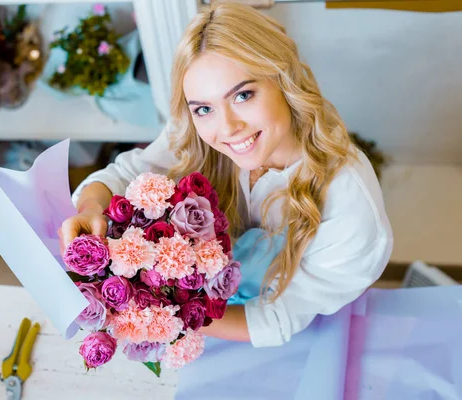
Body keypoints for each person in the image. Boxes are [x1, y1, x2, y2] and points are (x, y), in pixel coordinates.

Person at [61, 1, 393, 348]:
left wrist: (162, 318)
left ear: (284, 78)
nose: (228, 128)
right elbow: (124, 175)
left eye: (243, 95)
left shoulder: (350, 202)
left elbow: (279, 317)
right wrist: (89, 209)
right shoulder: (194, 133)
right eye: (204, 108)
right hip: (207, 319)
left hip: (296, 337)